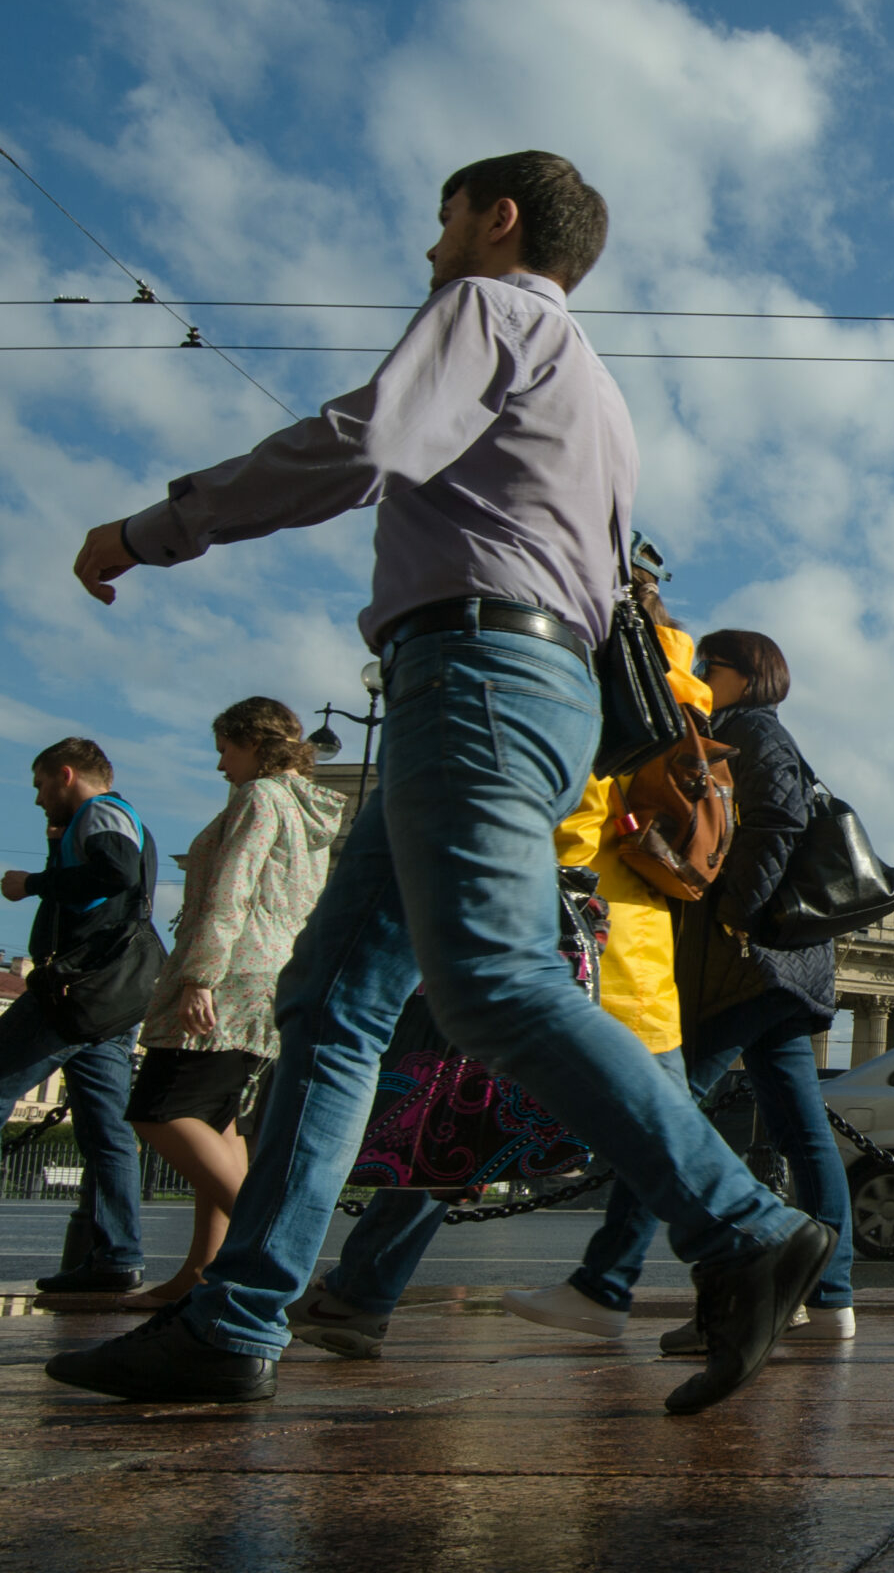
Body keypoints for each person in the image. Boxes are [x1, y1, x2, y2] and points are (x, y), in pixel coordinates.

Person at [47, 151, 826, 1414]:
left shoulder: (488, 309)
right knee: (332, 1001)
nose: (429, 249)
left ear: (499, 218)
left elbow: (363, 443)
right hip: (505, 686)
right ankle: (239, 1319)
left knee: (495, 982)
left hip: (471, 670)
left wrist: (154, 526)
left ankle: (738, 1224)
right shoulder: (599, 388)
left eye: (443, 219)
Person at [529, 629, 857, 1344]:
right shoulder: (750, 734)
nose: (704, 676)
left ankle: (605, 1282)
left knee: (666, 1110)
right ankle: (832, 1300)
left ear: (746, 678)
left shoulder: (753, 732)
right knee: (804, 1133)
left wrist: (735, 915)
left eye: (713, 666)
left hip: (752, 966)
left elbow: (776, 823)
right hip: (781, 972)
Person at [126, 701, 344, 1308]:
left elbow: (232, 887)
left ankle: (278, 1259)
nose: (221, 763)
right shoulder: (310, 810)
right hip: (271, 974)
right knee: (219, 1120)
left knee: (161, 1109)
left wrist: (198, 976)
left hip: (227, 973)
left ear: (253, 743)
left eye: (226, 747)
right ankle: (200, 1271)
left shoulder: (261, 798)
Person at [0, 740, 155, 1294]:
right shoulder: (111, 819)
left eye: (42, 786)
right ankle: (117, 1257)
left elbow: (114, 875)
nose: (40, 799)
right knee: (107, 1131)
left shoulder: (101, 813)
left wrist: (32, 884)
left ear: (66, 775)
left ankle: (116, 1256)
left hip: (74, 993)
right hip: (111, 1001)